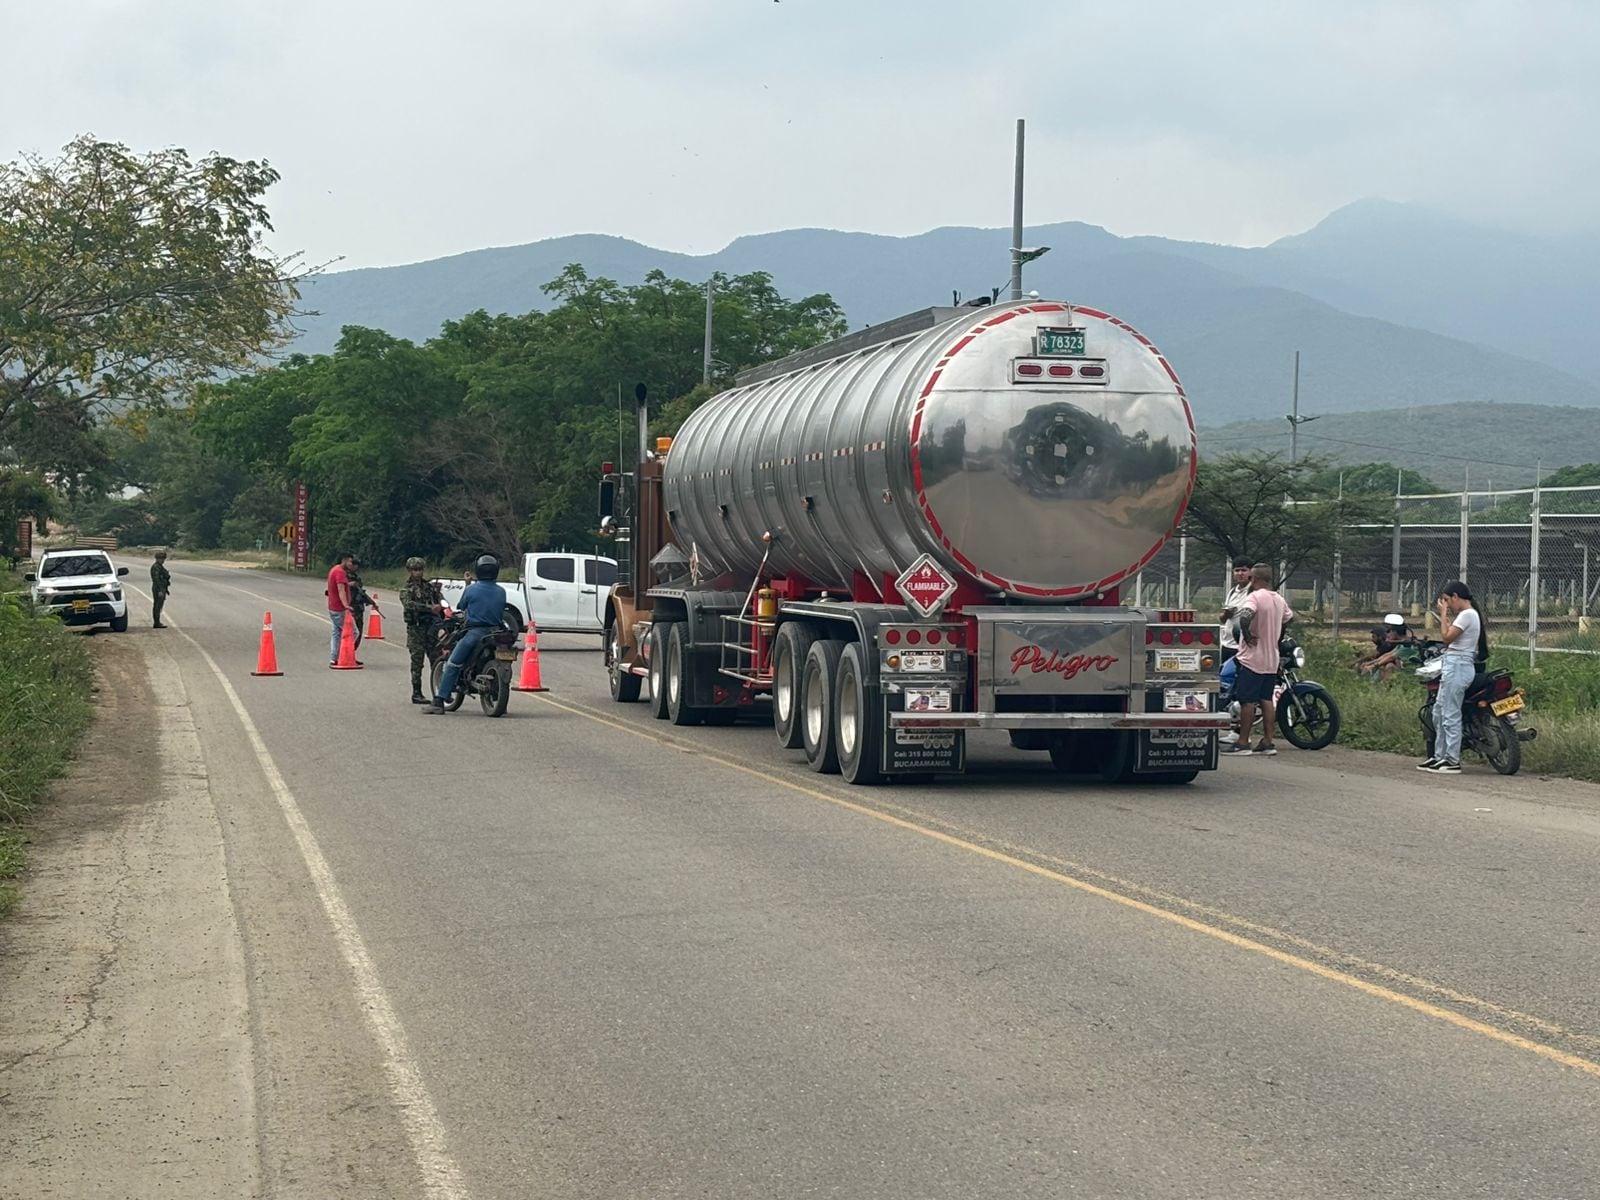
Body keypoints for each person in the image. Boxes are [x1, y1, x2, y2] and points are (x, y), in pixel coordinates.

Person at [1223, 563, 1295, 757]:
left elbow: (1245, 616)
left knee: (1247, 701)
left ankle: (1243, 742)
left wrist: (1246, 635)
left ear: (1254, 579)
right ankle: (1268, 742)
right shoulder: (1279, 599)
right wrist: (1278, 637)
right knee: (1266, 700)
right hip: (1272, 658)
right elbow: (1289, 618)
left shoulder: (1254, 597)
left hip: (1252, 658)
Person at [422, 555, 507, 715]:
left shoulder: (472, 590)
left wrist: (468, 585)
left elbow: (462, 605)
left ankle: (439, 701)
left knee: (454, 662)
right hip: (497, 631)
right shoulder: (501, 591)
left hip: (476, 632)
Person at [1418, 581, 1488, 775]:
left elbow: (1446, 638)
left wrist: (1442, 614)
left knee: (1450, 713)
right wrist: (1446, 617)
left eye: (1448, 600)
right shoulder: (1466, 616)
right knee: (1439, 712)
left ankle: (1452, 759)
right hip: (1453, 665)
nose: (1448, 604)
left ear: (1456, 597)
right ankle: (1439, 756)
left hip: (1458, 666)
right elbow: (1450, 636)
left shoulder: (1467, 615)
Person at [400, 556, 445, 704]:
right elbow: (408, 604)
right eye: (414, 570)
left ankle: (440, 691)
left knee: (437, 660)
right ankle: (417, 692)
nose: (417, 573)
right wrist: (428, 608)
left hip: (430, 628)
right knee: (417, 662)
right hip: (416, 629)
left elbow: (440, 601)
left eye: (419, 569)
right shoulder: (407, 588)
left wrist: (439, 599)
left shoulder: (429, 587)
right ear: (409, 571)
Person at [1357, 613, 1418, 680]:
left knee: (1389, 666)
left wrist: (1372, 666)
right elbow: (1387, 655)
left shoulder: (1408, 645)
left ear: (1394, 632)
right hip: (1403, 671)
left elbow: (1391, 657)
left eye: (1388, 631)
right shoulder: (1401, 643)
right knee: (1383, 666)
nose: (1387, 634)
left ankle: (1383, 688)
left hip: (1410, 674)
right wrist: (1369, 663)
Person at [325, 552, 359, 666]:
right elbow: (341, 589)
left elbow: (341, 586)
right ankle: (343, 655)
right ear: (344, 560)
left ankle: (334, 657)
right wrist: (346, 605)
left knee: (337, 633)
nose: (351, 564)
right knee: (353, 632)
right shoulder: (339, 572)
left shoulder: (334, 570)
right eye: (349, 561)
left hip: (333, 606)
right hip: (339, 608)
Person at [1219, 558, 1253, 664]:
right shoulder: (1232, 592)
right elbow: (1223, 620)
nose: (1240, 573)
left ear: (1251, 572)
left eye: (1244, 570)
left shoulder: (1253, 592)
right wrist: (1226, 614)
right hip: (1226, 644)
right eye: (1237, 570)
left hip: (1242, 646)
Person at [149, 550, 171, 628]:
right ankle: (156, 622)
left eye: (163, 558)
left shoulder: (160, 567)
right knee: (157, 606)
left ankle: (157, 622)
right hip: (158, 588)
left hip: (162, 588)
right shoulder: (156, 567)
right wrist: (160, 590)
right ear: (157, 558)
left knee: (159, 605)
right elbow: (156, 579)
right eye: (161, 558)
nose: (162, 560)